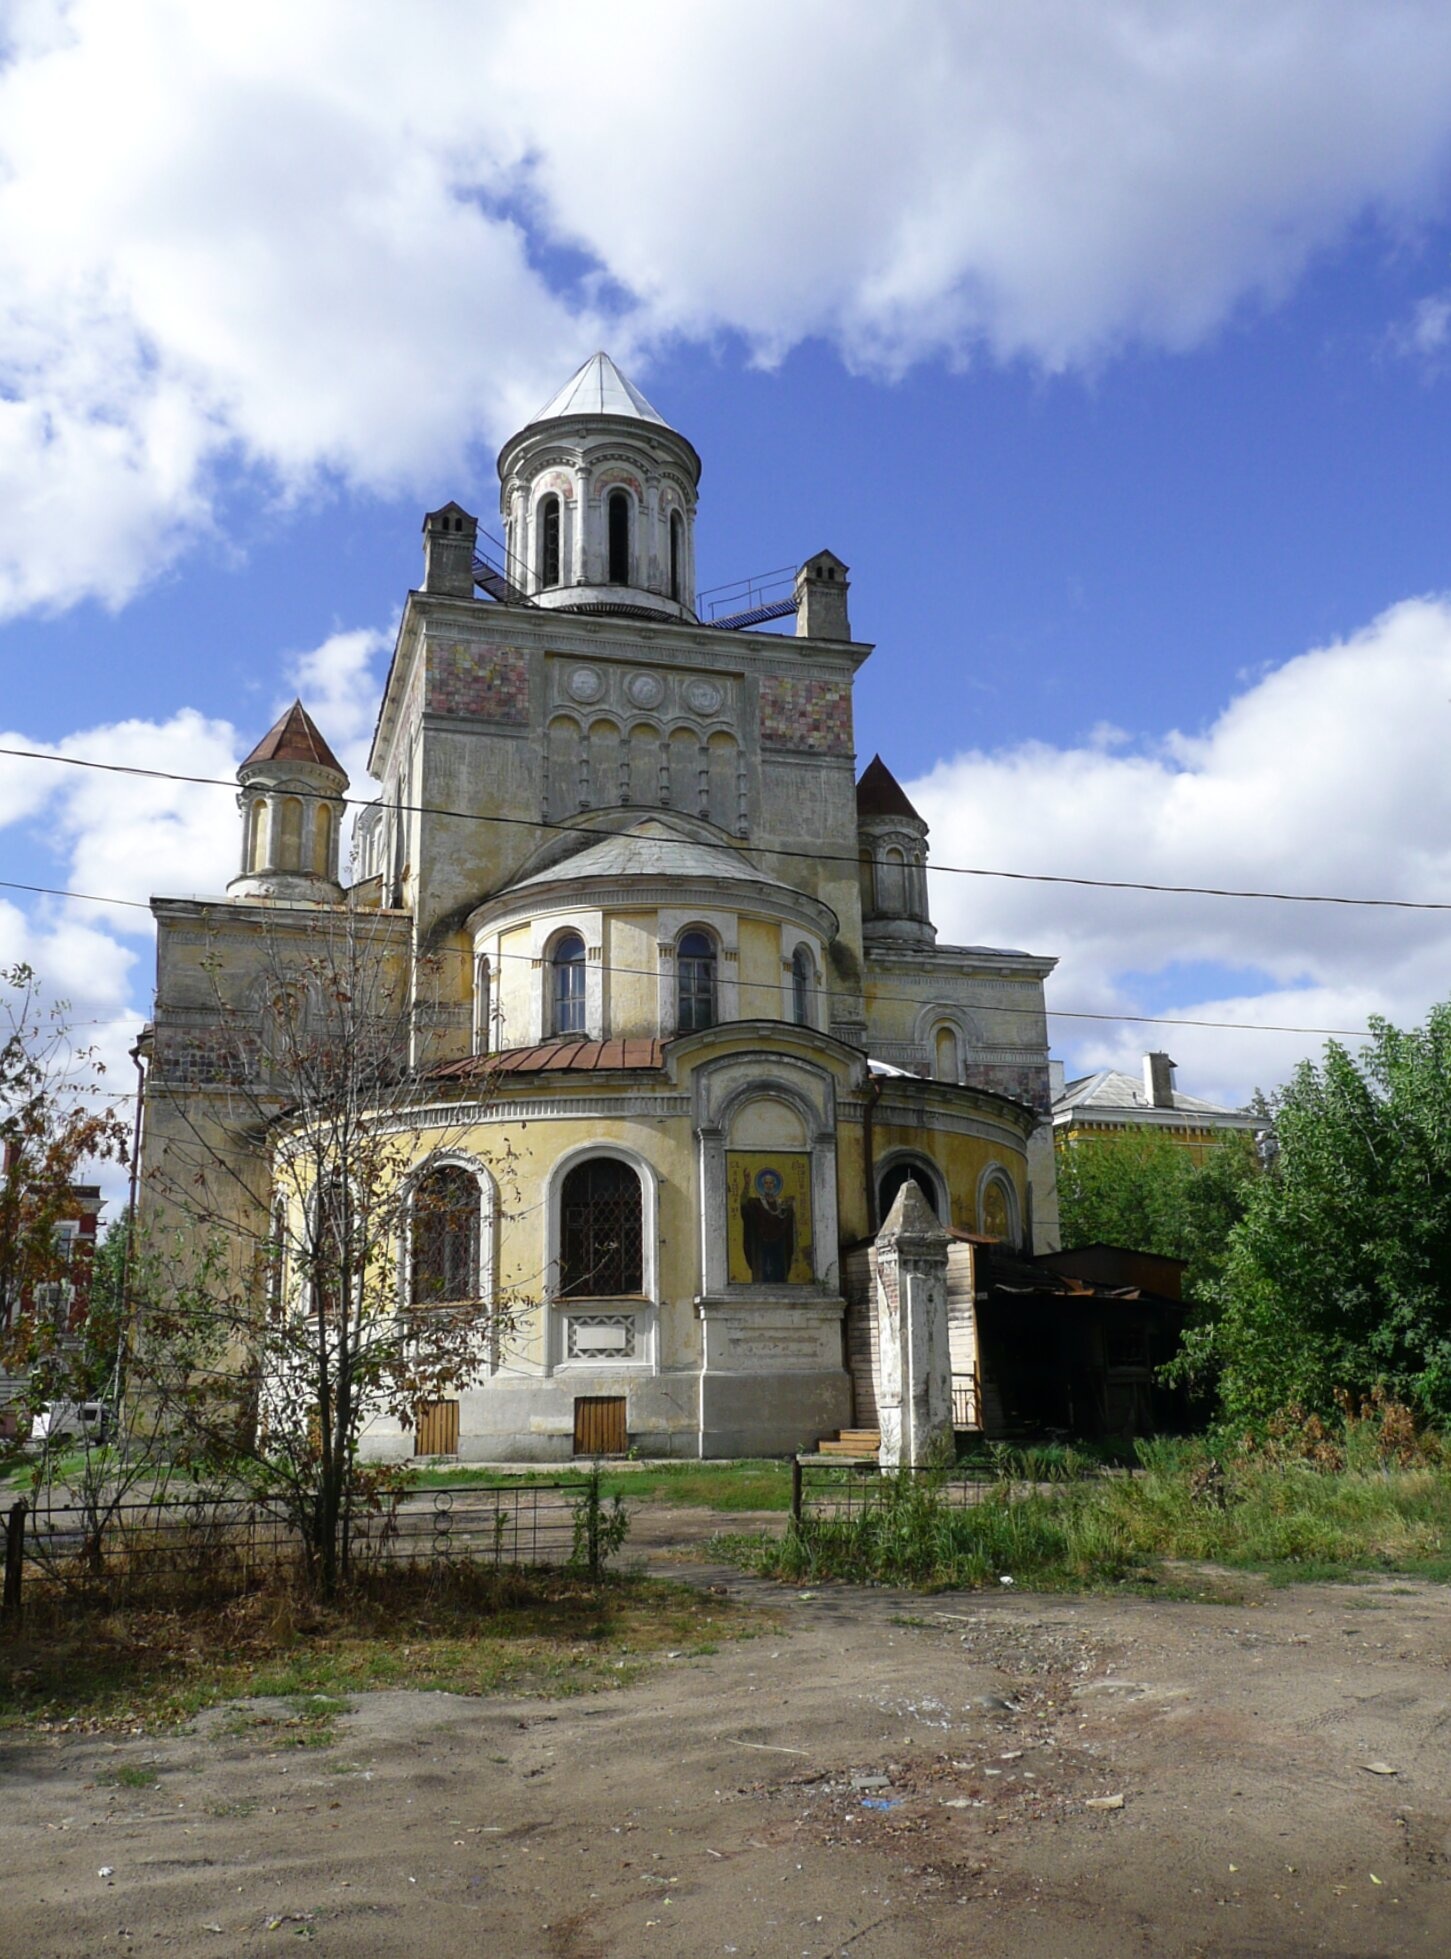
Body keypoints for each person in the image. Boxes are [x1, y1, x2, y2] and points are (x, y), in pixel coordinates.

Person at [739, 1166, 796, 1283]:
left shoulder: (781, 1205)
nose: (768, 1185)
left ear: (775, 1185)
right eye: (766, 1183)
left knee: (779, 1274)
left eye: (770, 1183)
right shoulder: (756, 1204)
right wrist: (747, 1185)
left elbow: (787, 1223)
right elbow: (744, 1205)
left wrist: (790, 1208)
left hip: (779, 1248)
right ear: (763, 1185)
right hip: (762, 1248)